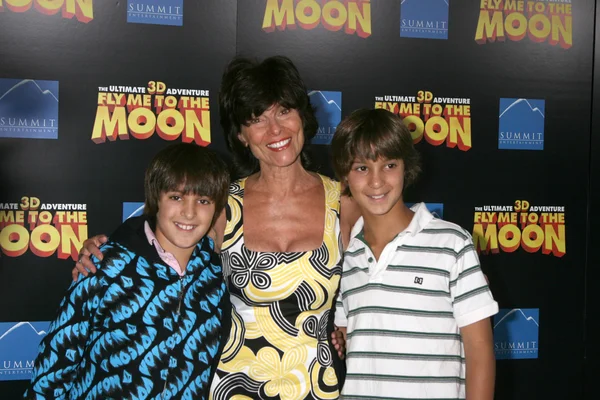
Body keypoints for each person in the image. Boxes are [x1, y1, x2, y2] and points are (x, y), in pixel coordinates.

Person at [73, 56, 353, 399]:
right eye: (257, 119)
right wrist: (102, 251)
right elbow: (153, 241)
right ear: (240, 135)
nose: (275, 130)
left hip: (317, 387)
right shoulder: (221, 205)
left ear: (303, 118)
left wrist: (343, 323)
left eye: (283, 112)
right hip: (233, 387)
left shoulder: (344, 201)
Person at [25, 143, 231, 399]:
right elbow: (53, 366)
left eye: (203, 200)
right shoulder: (105, 265)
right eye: (176, 197)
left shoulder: (214, 278)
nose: (189, 212)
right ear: (156, 198)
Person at [330, 108, 498, 399]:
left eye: (389, 165)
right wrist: (338, 340)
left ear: (406, 167)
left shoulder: (452, 244)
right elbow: (348, 337)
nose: (376, 181)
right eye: (361, 168)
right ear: (344, 176)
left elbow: (479, 351)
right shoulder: (346, 255)